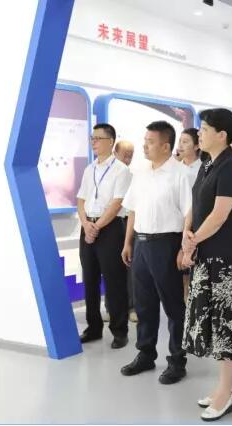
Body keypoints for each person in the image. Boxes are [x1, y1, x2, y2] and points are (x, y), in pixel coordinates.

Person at [181, 108, 232, 422]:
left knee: (226, 328)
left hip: (226, 259)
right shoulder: (207, 163)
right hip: (206, 255)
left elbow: (219, 215)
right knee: (214, 327)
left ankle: (226, 391)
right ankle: (224, 387)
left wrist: (192, 241)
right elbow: (196, 205)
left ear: (222, 135)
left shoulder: (231, 168)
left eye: (204, 129)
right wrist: (187, 232)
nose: (199, 134)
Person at [120, 120, 191, 385]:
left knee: (173, 305)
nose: (145, 146)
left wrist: (184, 248)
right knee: (144, 303)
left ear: (165, 146)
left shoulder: (181, 174)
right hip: (141, 243)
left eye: (150, 142)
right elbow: (132, 210)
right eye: (145, 141)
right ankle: (146, 354)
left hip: (167, 244)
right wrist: (128, 242)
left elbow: (189, 214)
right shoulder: (140, 172)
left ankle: (177, 360)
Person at [76, 123, 132, 349]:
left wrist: (96, 227)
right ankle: (93, 327)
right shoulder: (89, 169)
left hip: (110, 228)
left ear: (110, 141)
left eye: (98, 138)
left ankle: (119, 331)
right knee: (89, 279)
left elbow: (117, 203)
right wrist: (85, 224)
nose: (94, 142)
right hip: (87, 226)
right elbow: (81, 199)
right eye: (93, 138)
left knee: (114, 280)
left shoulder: (121, 170)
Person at [111, 139, 137, 323]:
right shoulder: (107, 174)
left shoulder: (132, 175)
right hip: (110, 223)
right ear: (115, 153)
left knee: (129, 267)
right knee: (111, 268)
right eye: (125, 155)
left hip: (127, 222)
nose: (127, 159)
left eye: (130, 156)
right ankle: (112, 307)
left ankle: (132, 307)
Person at [176, 128, 202, 301]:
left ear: (197, 146)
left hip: (194, 227)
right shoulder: (174, 169)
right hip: (174, 227)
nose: (180, 145)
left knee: (190, 272)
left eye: (185, 142)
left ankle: (190, 304)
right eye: (180, 141)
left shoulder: (202, 169)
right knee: (178, 274)